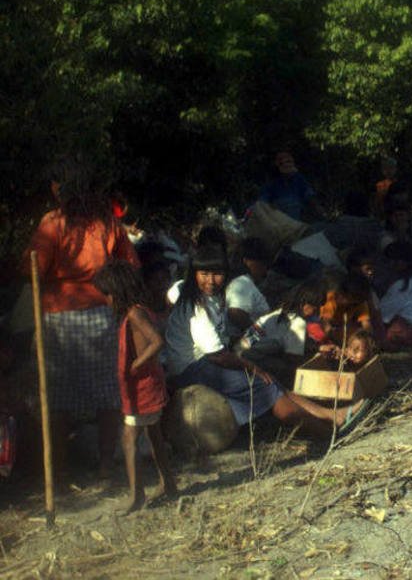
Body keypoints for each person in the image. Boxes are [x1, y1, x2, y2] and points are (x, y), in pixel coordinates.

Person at [164, 246, 361, 437]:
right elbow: (217, 356)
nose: (211, 281)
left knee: (272, 383)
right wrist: (252, 367)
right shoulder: (195, 305)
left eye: (217, 274)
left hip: (206, 363)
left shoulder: (211, 299)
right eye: (204, 274)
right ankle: (327, 433)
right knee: (264, 385)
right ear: (194, 274)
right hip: (194, 368)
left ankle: (331, 415)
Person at [23, 170, 140, 477]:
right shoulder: (106, 222)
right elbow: (131, 265)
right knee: (107, 395)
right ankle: (104, 465)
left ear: (58, 189)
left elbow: (32, 267)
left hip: (58, 317)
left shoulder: (53, 222)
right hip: (103, 314)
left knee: (58, 397)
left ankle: (58, 470)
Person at [93, 261, 176, 513]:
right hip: (146, 383)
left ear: (117, 292)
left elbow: (156, 342)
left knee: (129, 438)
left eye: (107, 294)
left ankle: (137, 495)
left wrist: (134, 366)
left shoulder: (135, 314)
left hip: (143, 386)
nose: (106, 300)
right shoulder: (138, 311)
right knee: (154, 435)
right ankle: (169, 484)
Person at [379, 241, 412, 351]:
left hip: (405, 334)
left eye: (393, 261)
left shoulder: (403, 286)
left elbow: (381, 315)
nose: (390, 265)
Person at [259, 150, 321, 221]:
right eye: (284, 166)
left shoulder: (299, 179)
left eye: (289, 165)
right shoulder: (272, 183)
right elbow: (263, 202)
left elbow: (310, 196)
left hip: (298, 221)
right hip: (279, 222)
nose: (288, 172)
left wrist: (321, 211)